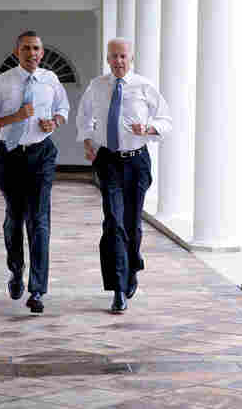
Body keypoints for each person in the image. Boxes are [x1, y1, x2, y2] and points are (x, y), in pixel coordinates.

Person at [76, 38, 172, 313]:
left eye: (123, 56)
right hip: (108, 161)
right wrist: (87, 142)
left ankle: (132, 265)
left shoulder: (144, 86)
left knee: (132, 225)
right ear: (108, 59)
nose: (118, 61)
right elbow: (84, 117)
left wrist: (149, 129)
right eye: (113, 57)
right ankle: (118, 288)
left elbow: (167, 121)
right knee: (114, 222)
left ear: (132, 58)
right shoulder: (98, 86)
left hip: (137, 161)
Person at [0, 30, 69, 314]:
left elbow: (63, 108)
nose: (32, 54)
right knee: (14, 218)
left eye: (37, 49)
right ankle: (16, 272)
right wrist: (15, 117)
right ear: (18, 52)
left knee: (39, 220)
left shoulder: (51, 80)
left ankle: (38, 290)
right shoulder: (3, 83)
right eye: (27, 48)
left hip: (41, 154)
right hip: (10, 157)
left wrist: (54, 121)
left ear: (42, 53)